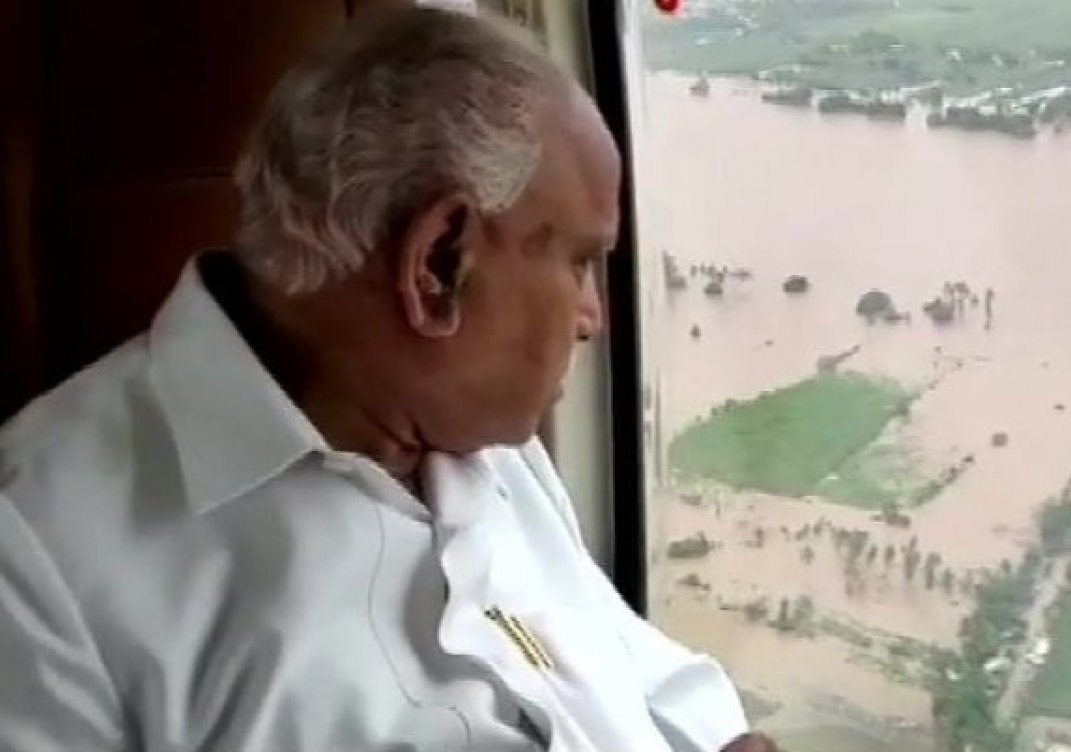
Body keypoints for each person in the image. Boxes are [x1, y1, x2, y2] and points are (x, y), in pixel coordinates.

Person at [0, 6, 777, 751]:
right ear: (438, 264)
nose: (590, 317)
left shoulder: (491, 443)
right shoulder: (36, 555)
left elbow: (642, 681)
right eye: (579, 262)